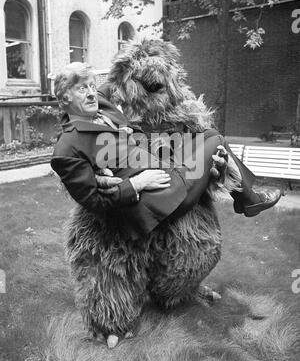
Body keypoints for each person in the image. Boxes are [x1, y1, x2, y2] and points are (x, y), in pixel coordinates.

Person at [51, 63, 282, 242]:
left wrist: (148, 64)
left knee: (210, 135)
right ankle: (249, 200)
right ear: (64, 98)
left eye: (92, 85)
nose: (92, 93)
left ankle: (246, 199)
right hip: (161, 198)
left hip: (164, 166)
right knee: (216, 140)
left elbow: (120, 76)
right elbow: (93, 201)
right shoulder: (67, 148)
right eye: (82, 88)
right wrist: (138, 183)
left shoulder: (98, 103)